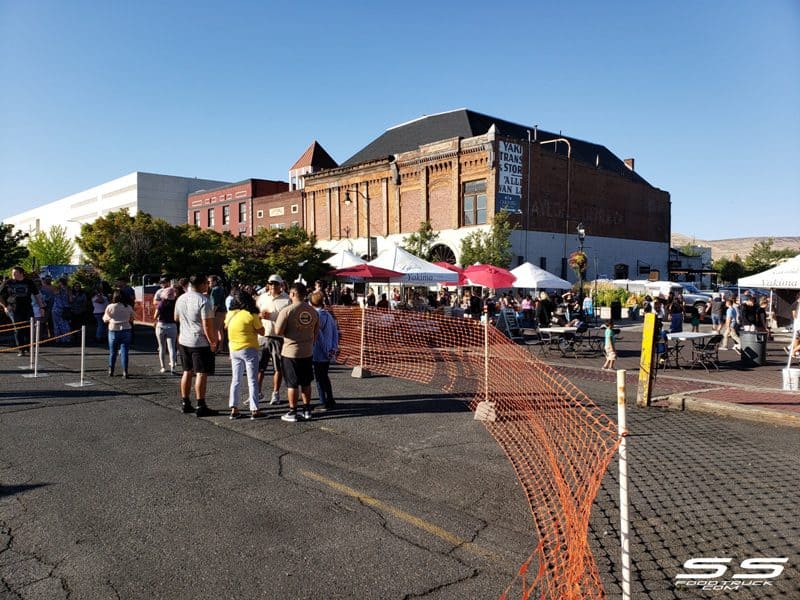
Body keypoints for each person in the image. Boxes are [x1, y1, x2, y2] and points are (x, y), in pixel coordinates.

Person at [174, 273, 219, 417]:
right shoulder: (204, 301)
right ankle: (201, 404)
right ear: (201, 284)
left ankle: (185, 402)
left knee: (187, 371)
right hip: (199, 341)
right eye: (206, 283)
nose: (208, 285)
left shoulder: (181, 298)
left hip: (184, 339)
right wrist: (213, 342)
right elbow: (207, 325)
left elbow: (176, 317)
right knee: (201, 372)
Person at [275, 282, 319, 422]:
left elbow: (278, 331)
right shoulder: (313, 311)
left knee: (292, 383)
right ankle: (307, 409)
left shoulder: (287, 310)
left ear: (293, 294)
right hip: (307, 351)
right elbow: (316, 333)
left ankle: (292, 411)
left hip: (290, 352)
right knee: (306, 382)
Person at [224, 289, 265, 420]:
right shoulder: (251, 315)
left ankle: (233, 408)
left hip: (234, 348)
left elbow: (225, 327)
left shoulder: (231, 314)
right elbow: (262, 331)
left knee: (236, 379)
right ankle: (254, 409)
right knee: (252, 380)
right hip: (249, 348)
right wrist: (260, 319)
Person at [256, 274, 291, 405]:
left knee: (278, 367)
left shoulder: (287, 299)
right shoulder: (262, 297)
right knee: (259, 367)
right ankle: (257, 393)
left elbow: (288, 319)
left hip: (278, 337)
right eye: (271, 283)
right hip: (263, 336)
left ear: (281, 285)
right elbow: (255, 313)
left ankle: (275, 393)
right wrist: (260, 315)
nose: (273, 286)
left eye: (276, 284)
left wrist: (275, 318)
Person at [0, 266, 45, 356]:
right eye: (12, 273)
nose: (13, 275)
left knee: (28, 328)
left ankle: (27, 347)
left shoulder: (29, 282)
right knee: (18, 329)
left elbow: (37, 295)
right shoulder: (8, 283)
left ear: (21, 273)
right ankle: (21, 349)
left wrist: (42, 307)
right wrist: (4, 306)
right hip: (14, 309)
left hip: (27, 308)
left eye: (15, 273)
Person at [310, 290, 339, 410]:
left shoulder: (317, 316)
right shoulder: (328, 315)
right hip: (329, 349)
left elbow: (318, 336)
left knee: (319, 377)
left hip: (320, 351)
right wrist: (333, 347)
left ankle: (323, 401)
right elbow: (335, 332)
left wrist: (326, 349)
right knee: (324, 376)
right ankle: (330, 399)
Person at [103, 290, 134, 378]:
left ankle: (111, 370)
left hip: (113, 329)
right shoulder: (128, 307)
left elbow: (105, 319)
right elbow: (132, 319)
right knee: (124, 352)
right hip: (126, 329)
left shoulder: (110, 306)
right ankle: (125, 371)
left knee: (113, 352)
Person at [154, 285, 178, 373]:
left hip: (161, 326)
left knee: (162, 347)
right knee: (172, 348)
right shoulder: (176, 303)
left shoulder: (161, 304)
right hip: (172, 326)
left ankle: (163, 367)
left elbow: (155, 316)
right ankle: (173, 367)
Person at [208, 275, 227, 350]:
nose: (209, 283)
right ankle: (220, 347)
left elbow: (215, 304)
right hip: (222, 311)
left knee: (214, 330)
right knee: (220, 329)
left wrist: (212, 313)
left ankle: (214, 348)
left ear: (215, 282)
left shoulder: (215, 290)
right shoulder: (221, 288)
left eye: (210, 281)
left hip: (217, 312)